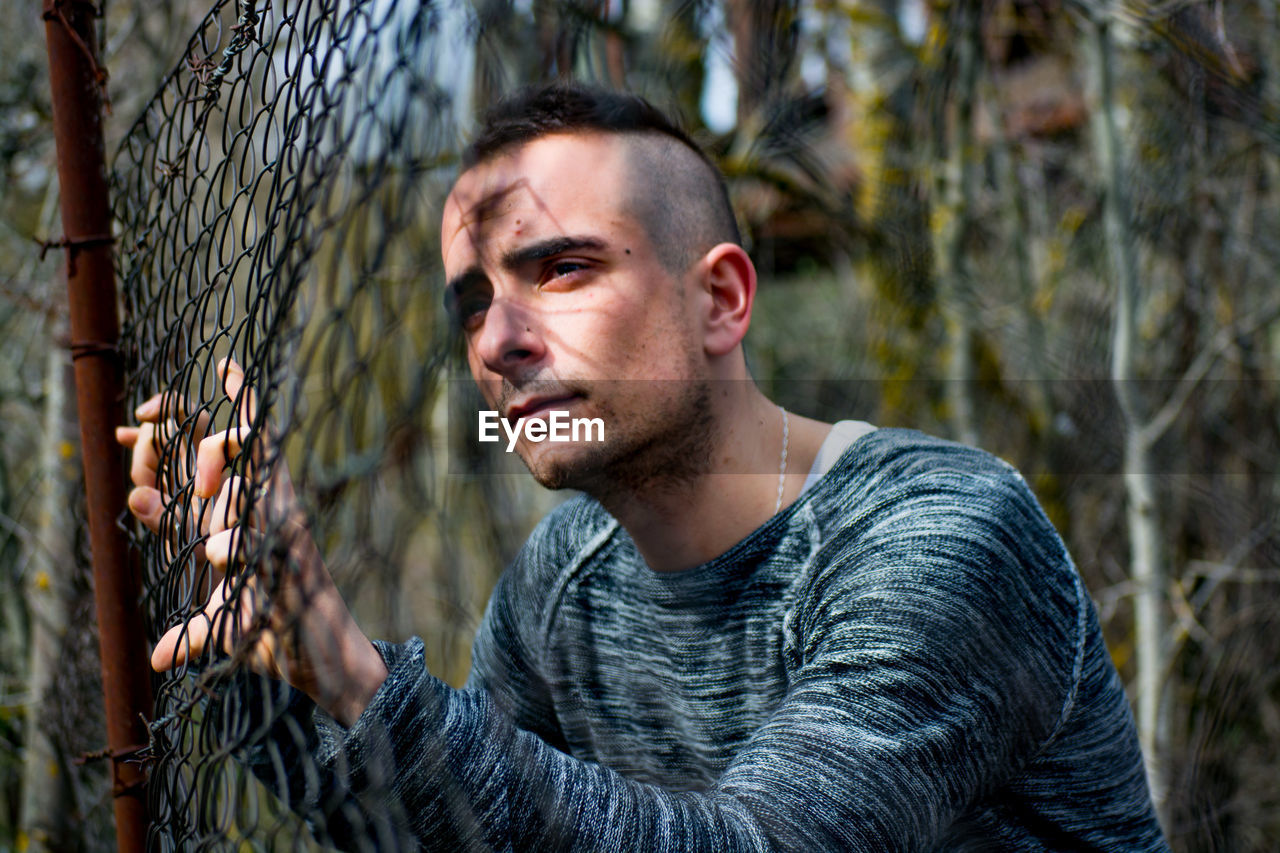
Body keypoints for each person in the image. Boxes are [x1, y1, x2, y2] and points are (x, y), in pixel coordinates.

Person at [118, 83, 1168, 850]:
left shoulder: (938, 534)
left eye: (561, 268)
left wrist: (356, 674)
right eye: (472, 303)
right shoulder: (559, 579)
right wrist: (258, 669)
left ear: (719, 301)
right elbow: (460, 825)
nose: (496, 341)